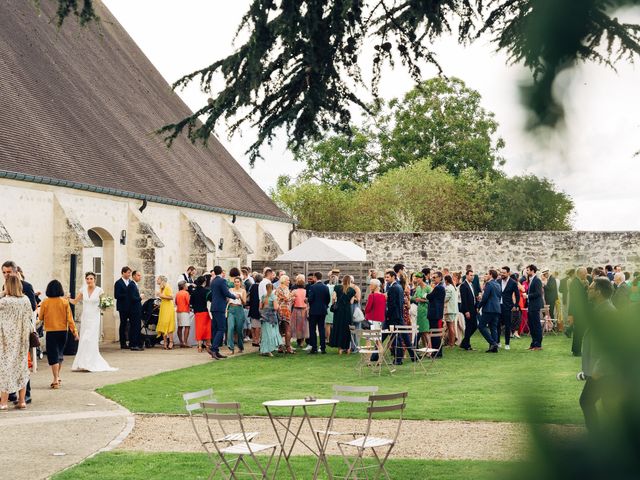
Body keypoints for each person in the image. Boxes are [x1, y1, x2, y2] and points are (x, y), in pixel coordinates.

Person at [579, 277, 616, 434]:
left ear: (599, 292)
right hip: (603, 369)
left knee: (586, 401)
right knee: (609, 406)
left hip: (604, 370)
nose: (588, 290)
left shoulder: (608, 313)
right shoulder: (601, 310)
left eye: (591, 288)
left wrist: (599, 369)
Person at [69, 272, 118, 372]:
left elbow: (104, 304)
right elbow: (74, 301)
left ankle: (90, 363)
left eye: (91, 279)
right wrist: (66, 298)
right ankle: (82, 363)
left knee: (90, 339)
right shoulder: (83, 290)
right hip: (85, 317)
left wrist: (105, 305)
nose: (89, 281)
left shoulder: (99, 291)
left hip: (94, 318)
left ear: (94, 279)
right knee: (83, 339)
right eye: (87, 279)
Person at [0, 275, 33, 409]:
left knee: (5, 369)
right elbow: (29, 316)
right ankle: (22, 401)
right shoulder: (25, 300)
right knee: (21, 369)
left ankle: (3, 403)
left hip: (6, 341)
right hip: (22, 340)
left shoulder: (4, 302)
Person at [39, 280, 78, 388]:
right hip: (63, 332)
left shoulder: (45, 302)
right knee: (59, 354)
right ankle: (58, 376)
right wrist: (75, 332)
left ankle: (55, 379)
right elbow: (70, 319)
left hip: (51, 332)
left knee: (53, 356)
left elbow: (41, 317)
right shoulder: (64, 302)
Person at [384, 270, 415, 364]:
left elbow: (392, 305)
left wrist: (388, 315)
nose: (386, 279)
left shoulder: (393, 287)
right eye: (385, 277)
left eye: (388, 277)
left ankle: (398, 358)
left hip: (394, 317)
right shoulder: (399, 287)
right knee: (405, 337)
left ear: (393, 277)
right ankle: (413, 356)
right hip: (399, 315)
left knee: (395, 338)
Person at [208, 265, 237, 360]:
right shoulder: (221, 281)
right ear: (221, 272)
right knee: (221, 328)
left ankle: (216, 351)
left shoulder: (213, 281)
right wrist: (235, 296)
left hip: (214, 306)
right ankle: (214, 348)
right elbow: (226, 292)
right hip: (220, 307)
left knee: (216, 329)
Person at [329, 275, 355, 354]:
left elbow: (333, 298)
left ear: (342, 280)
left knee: (338, 327)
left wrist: (334, 304)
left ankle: (340, 348)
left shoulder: (337, 288)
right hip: (347, 310)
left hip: (338, 311)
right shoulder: (352, 290)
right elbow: (351, 302)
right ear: (350, 281)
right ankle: (347, 348)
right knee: (347, 328)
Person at [477, 270, 501, 353]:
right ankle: (494, 348)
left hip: (489, 308)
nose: (486, 275)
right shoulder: (498, 284)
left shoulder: (489, 284)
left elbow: (485, 297)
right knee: (493, 327)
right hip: (497, 309)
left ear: (491, 275)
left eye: (487, 274)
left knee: (481, 326)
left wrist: (478, 306)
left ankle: (493, 343)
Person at [497, 267, 520, 350]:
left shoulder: (513, 283)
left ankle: (507, 343)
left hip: (507, 307)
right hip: (498, 306)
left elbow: (517, 295)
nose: (502, 274)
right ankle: (498, 342)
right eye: (501, 272)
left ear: (508, 273)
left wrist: (516, 305)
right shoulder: (498, 281)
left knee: (507, 325)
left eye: (504, 273)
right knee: (497, 325)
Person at [307, 272, 330, 354]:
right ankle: (323, 348)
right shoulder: (325, 287)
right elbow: (328, 299)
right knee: (321, 329)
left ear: (315, 277)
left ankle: (314, 348)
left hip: (313, 311)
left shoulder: (312, 287)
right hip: (323, 310)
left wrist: (307, 300)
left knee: (312, 329)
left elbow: (310, 299)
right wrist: (325, 306)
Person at [569, 267, 589, 356]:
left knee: (579, 332)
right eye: (585, 273)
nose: (586, 275)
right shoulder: (576, 283)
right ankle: (576, 351)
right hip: (578, 312)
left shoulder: (577, 282)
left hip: (579, 311)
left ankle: (576, 350)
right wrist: (571, 314)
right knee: (578, 332)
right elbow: (574, 300)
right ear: (580, 273)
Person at [426, 271, 446, 357]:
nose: (433, 279)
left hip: (435, 313)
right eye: (432, 277)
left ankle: (436, 352)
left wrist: (426, 294)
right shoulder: (439, 287)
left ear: (440, 278)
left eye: (435, 277)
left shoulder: (438, 288)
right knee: (435, 333)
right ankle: (437, 351)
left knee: (435, 334)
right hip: (436, 313)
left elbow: (430, 297)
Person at [114, 266, 134, 349]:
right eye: (128, 273)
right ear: (123, 273)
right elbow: (116, 295)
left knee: (132, 324)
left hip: (131, 307)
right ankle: (123, 343)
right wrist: (127, 295)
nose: (129, 274)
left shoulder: (131, 282)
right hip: (122, 307)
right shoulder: (118, 283)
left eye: (130, 273)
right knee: (123, 324)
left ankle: (131, 342)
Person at [190, 276, 211, 353]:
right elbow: (210, 300)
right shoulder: (207, 291)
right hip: (205, 312)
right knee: (207, 328)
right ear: (204, 282)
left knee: (199, 329)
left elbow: (191, 302)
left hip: (197, 313)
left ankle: (199, 346)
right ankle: (208, 345)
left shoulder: (194, 292)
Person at [259, 283, 281, 357]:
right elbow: (275, 307)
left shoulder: (263, 297)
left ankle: (263, 350)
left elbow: (260, 307)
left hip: (264, 316)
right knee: (271, 333)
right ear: (272, 288)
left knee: (265, 334)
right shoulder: (273, 297)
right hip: (271, 317)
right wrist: (278, 305)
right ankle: (268, 350)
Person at [526, 264, 544, 351]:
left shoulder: (537, 280)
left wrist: (527, 296)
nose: (527, 272)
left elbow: (538, 293)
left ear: (533, 271)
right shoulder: (531, 280)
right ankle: (533, 344)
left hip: (535, 306)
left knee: (536, 325)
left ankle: (538, 345)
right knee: (531, 325)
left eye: (528, 270)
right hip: (530, 306)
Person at [411, 273, 431, 348]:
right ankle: (425, 349)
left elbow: (432, 300)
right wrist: (408, 296)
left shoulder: (428, 288)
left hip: (426, 311)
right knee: (421, 331)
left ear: (422, 278)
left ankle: (430, 350)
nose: (416, 280)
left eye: (418, 278)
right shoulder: (418, 288)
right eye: (416, 278)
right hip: (419, 311)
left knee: (426, 331)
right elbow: (414, 298)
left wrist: (422, 300)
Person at [459, 269, 477, 351]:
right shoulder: (463, 285)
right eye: (470, 275)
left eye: (473, 275)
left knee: (474, 326)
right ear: (466, 276)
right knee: (470, 326)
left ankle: (464, 342)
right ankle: (466, 344)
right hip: (468, 309)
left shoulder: (472, 285)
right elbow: (464, 299)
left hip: (473, 308)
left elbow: (472, 297)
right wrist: (466, 311)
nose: (472, 277)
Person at [275, 275, 295, 353]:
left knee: (280, 329)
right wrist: (292, 296)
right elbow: (286, 299)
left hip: (282, 310)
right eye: (288, 280)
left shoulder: (279, 289)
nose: (289, 282)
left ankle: (281, 347)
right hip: (284, 310)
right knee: (287, 328)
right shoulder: (281, 289)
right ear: (283, 280)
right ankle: (287, 347)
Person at [227, 277, 246, 354]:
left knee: (239, 330)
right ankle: (231, 347)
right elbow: (227, 299)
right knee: (230, 328)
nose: (236, 283)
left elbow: (244, 303)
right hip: (231, 309)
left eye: (238, 282)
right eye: (235, 282)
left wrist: (240, 297)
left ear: (240, 283)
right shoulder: (230, 290)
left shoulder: (243, 291)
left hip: (239, 310)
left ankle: (240, 346)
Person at [155, 276, 175, 350]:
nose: (157, 280)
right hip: (163, 306)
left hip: (168, 307)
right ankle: (165, 341)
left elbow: (171, 297)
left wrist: (161, 295)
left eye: (158, 279)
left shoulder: (167, 287)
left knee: (168, 323)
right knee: (163, 323)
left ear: (162, 280)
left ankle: (171, 342)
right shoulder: (161, 288)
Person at [290, 275, 310, 349]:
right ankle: (301, 342)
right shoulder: (306, 291)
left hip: (296, 310)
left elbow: (290, 300)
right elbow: (308, 301)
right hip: (304, 310)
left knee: (296, 326)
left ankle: (299, 341)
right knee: (303, 326)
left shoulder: (294, 291)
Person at [128, 270, 144, 351]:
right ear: (133, 276)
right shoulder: (131, 285)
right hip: (134, 310)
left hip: (137, 309)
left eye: (140, 275)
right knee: (135, 327)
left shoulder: (134, 284)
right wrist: (140, 297)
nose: (140, 277)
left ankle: (135, 343)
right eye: (138, 275)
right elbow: (132, 298)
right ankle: (134, 345)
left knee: (137, 327)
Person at [175, 281, 192, 348]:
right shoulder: (186, 293)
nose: (187, 286)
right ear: (183, 286)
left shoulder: (178, 293)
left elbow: (176, 302)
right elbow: (188, 302)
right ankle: (185, 342)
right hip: (185, 311)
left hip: (179, 310)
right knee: (187, 326)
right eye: (186, 285)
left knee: (180, 327)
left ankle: (181, 342)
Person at [248, 274, 263, 347]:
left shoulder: (252, 286)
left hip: (252, 306)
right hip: (258, 307)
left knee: (253, 324)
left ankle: (254, 339)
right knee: (258, 325)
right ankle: (257, 340)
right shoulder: (260, 286)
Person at [443, 274, 459, 347]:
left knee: (450, 327)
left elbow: (445, 298)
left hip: (449, 309)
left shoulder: (448, 288)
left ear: (446, 280)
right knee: (451, 326)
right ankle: (451, 342)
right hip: (453, 309)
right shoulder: (453, 287)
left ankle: (451, 343)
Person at [325, 275, 338, 339]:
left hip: (328, 306)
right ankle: (334, 338)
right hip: (335, 306)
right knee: (335, 324)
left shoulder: (327, 286)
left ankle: (328, 339)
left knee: (327, 324)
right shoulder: (337, 287)